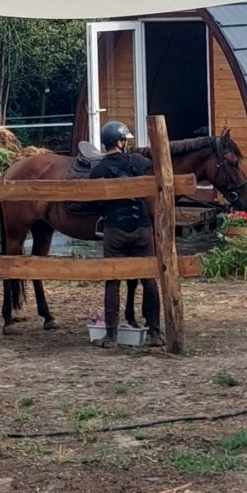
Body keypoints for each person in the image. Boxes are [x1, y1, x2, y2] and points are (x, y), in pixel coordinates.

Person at [86, 121, 157, 348]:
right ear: (119, 142)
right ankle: (156, 333)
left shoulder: (99, 170)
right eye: (124, 140)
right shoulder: (138, 161)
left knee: (113, 280)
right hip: (142, 230)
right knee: (149, 279)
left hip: (115, 231)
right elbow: (151, 165)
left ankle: (111, 336)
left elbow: (93, 201)